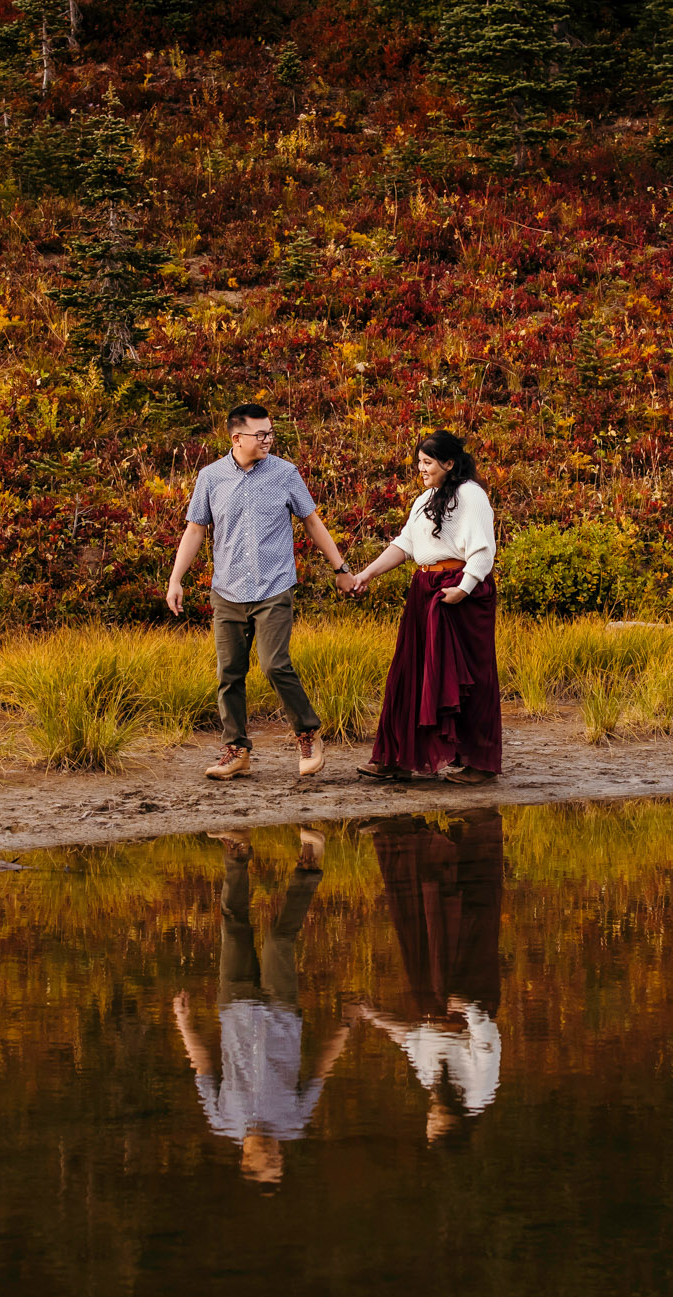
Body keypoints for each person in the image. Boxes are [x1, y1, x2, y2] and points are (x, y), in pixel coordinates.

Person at [166, 404, 356, 781]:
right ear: (237, 438)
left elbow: (311, 521)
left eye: (271, 433)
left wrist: (341, 569)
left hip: (274, 587)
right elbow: (195, 531)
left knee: (274, 664)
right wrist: (175, 579)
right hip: (228, 591)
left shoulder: (285, 473)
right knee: (229, 674)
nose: (268, 439)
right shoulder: (211, 477)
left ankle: (308, 733)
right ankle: (236, 750)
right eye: (261, 434)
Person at [172, 827, 350, 1186]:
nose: (274, 1153)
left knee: (233, 924)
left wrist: (183, 1023)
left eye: (267, 1160)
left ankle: (237, 852)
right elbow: (319, 1072)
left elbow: (204, 1068)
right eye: (278, 1159)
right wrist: (347, 1026)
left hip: (235, 1006)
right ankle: (309, 865)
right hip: (282, 1009)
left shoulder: (222, 1120)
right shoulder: (294, 1122)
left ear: (245, 1158)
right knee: (277, 940)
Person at [349, 430, 502, 784]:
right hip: (425, 591)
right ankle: (398, 755)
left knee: (470, 679)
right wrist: (367, 573)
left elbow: (482, 550)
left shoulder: (472, 496)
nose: (421, 468)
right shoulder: (424, 499)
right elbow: (405, 544)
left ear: (449, 463)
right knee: (411, 673)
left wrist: (463, 589)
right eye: (419, 462)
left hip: (462, 593)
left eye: (428, 462)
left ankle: (479, 763)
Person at [350, 811, 505, 1146]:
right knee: (469, 910)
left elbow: (411, 1040)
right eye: (437, 1124)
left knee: (416, 912)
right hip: (467, 995)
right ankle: (476, 826)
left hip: (431, 998)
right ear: (454, 1125)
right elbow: (488, 1043)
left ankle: (402, 833)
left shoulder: (433, 1085)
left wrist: (371, 1013)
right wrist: (469, 1008)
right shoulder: (478, 1091)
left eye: (429, 1122)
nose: (431, 1117)